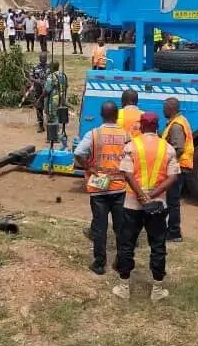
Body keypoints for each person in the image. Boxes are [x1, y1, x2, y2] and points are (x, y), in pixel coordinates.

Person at [113, 112, 180, 301]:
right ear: (157, 127)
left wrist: (141, 195)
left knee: (127, 244)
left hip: (132, 202)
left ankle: (124, 287)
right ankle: (157, 290)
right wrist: (151, 196)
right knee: (158, 245)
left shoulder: (131, 146)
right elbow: (173, 177)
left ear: (141, 126)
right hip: (158, 204)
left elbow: (127, 174)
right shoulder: (167, 148)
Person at [73, 101, 129, 275]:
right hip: (119, 187)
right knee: (120, 228)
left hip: (99, 186)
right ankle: (120, 262)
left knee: (99, 227)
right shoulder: (126, 135)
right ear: (117, 115)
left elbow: (78, 153)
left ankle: (99, 264)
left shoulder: (94, 134)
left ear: (102, 115)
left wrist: (88, 168)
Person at [161, 98, 193, 242]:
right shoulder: (179, 120)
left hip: (178, 167)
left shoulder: (176, 126)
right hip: (179, 166)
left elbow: (178, 148)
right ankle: (170, 229)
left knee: (172, 201)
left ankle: (174, 232)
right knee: (171, 200)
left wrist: (165, 161)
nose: (163, 110)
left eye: (164, 107)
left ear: (170, 108)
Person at [42, 61, 68, 143]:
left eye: (50, 67)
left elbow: (47, 90)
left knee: (51, 117)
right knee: (58, 116)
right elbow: (66, 86)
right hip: (62, 99)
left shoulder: (51, 76)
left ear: (52, 67)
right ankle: (57, 134)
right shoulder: (63, 75)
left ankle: (52, 137)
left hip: (53, 100)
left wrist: (41, 98)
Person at [25, 53, 50, 132]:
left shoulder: (49, 67)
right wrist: (37, 81)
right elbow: (30, 77)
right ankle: (40, 125)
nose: (43, 60)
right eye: (42, 58)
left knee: (49, 107)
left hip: (47, 90)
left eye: (45, 58)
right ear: (39, 58)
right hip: (38, 90)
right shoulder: (35, 68)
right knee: (39, 107)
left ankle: (50, 125)